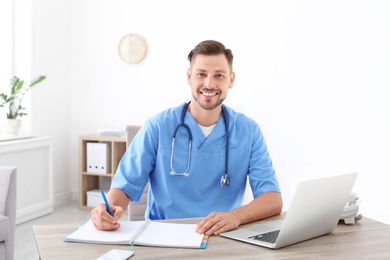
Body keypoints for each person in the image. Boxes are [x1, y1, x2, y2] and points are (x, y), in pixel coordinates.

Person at [91, 40, 283, 236]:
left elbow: (272, 199)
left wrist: (236, 216)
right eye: (201, 74)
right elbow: (123, 189)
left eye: (219, 75)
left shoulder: (248, 130)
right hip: (164, 237)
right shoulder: (157, 127)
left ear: (231, 80)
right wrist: (107, 211)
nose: (209, 84)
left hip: (223, 237)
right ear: (189, 77)